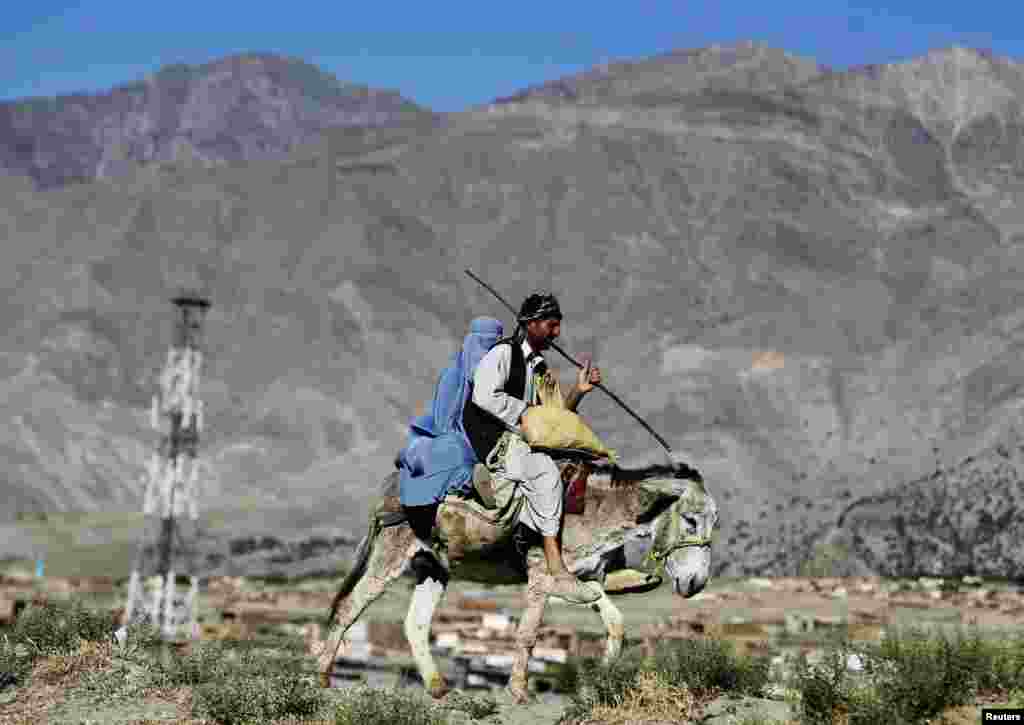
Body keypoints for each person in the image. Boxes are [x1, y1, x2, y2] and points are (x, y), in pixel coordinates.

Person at [462, 292, 604, 604]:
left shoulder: (541, 368)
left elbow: (554, 418)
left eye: (558, 326)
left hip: (522, 440)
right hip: (494, 439)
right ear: (531, 324)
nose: (556, 333)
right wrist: (525, 413)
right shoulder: (502, 354)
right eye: (551, 325)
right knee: (544, 472)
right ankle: (556, 569)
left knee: (576, 467)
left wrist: (579, 391)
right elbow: (483, 396)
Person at [398, 317, 504, 549]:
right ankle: (469, 481)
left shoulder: (500, 374)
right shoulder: (453, 375)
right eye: (482, 343)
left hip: (486, 437)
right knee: (452, 452)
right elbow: (444, 420)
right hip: (452, 435)